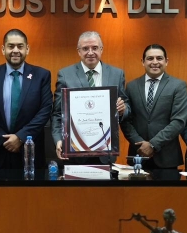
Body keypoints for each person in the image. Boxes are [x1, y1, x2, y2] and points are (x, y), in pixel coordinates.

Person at [0, 29, 52, 170]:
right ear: (3, 49)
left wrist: (21, 137)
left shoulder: (41, 75)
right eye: (11, 46)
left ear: (27, 49)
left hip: (29, 151)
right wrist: (4, 140)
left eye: (20, 46)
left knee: (31, 193)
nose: (15, 50)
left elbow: (45, 110)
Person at [51, 31, 129, 163]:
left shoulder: (117, 74)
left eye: (95, 48)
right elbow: (58, 113)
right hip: (75, 152)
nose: (90, 52)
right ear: (78, 51)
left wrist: (123, 109)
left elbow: (127, 107)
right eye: (85, 48)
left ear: (101, 49)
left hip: (106, 152)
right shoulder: (65, 75)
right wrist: (59, 140)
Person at [121, 44, 187, 171]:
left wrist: (152, 144)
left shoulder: (178, 86)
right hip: (137, 155)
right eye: (150, 58)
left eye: (159, 58)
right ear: (143, 62)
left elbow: (178, 121)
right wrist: (140, 144)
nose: (155, 62)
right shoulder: (131, 86)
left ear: (166, 61)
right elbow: (125, 120)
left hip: (167, 158)